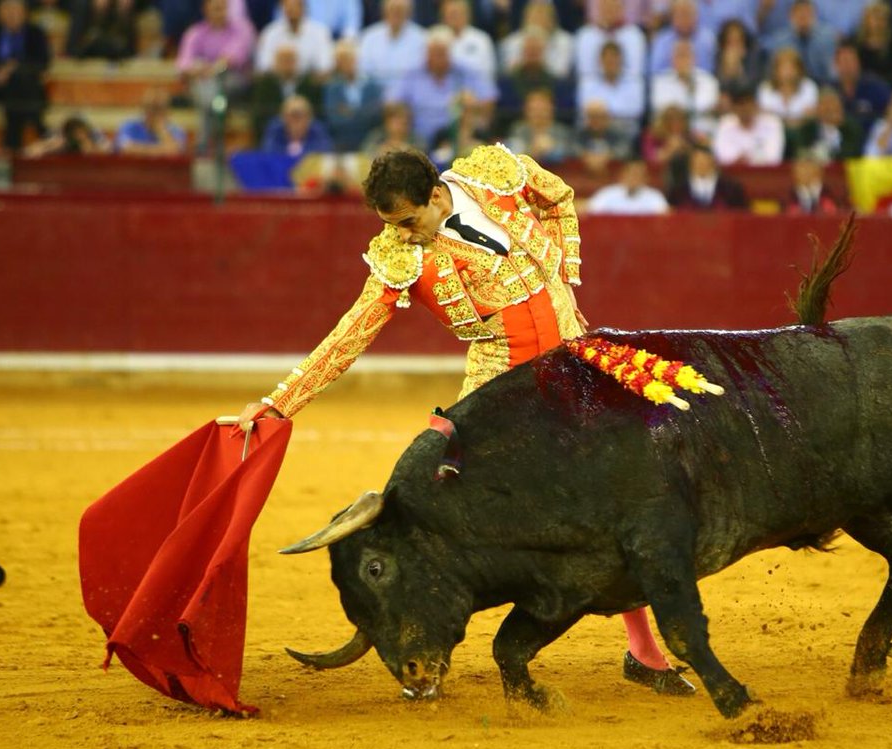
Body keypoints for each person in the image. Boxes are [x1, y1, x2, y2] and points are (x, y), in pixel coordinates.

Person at [238, 145, 697, 698]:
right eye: (392, 226)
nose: (404, 235)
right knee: (455, 516)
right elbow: (351, 333)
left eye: (409, 221)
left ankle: (643, 653)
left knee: (622, 498)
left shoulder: (493, 174)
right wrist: (279, 402)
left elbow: (559, 196)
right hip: (500, 391)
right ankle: (417, 645)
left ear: (435, 195)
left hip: (576, 364)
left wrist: (565, 270)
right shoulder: (399, 255)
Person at [387, 26, 497, 146]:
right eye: (433, 53)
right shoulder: (412, 73)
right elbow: (392, 103)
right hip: (418, 139)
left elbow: (488, 98)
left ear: (450, 52)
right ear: (426, 52)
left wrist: (473, 108)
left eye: (441, 53)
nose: (437, 59)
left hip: (457, 137)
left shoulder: (465, 71)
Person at [177, 0, 255, 151]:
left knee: (211, 84)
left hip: (233, 81)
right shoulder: (195, 32)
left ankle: (204, 144)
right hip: (204, 83)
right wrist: (200, 69)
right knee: (209, 91)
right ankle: (216, 144)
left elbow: (233, 58)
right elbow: (183, 64)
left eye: (222, 8)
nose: (220, 12)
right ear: (205, 10)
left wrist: (208, 69)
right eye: (215, 8)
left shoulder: (241, 29)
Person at [0, 0, 50, 153]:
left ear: (25, 14)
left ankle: (12, 140)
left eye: (16, 10)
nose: (12, 15)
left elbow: (42, 62)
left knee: (19, 80)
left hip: (24, 84)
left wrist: (12, 68)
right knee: (21, 85)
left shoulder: (35, 33)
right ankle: (38, 124)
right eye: (8, 10)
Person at [250, 43, 323, 142]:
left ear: (297, 62)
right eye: (283, 60)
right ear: (275, 62)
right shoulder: (266, 85)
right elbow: (260, 111)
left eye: (290, 60)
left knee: (317, 127)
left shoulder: (308, 83)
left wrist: (300, 120)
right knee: (273, 127)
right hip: (277, 126)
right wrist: (287, 119)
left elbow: (316, 109)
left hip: (306, 126)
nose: (287, 63)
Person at [649, 39, 719, 138]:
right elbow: (662, 108)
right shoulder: (660, 81)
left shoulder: (708, 81)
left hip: (702, 133)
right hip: (671, 134)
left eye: (686, 55)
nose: (683, 60)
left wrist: (688, 85)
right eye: (679, 55)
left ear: (695, 59)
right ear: (671, 59)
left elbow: (708, 105)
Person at [323, 40, 383, 150]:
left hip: (369, 141)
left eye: (347, 59)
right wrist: (361, 112)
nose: (344, 64)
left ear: (356, 59)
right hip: (341, 142)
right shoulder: (332, 88)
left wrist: (349, 112)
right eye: (340, 61)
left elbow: (375, 117)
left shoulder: (372, 85)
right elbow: (334, 120)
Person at [765, 0, 839, 85]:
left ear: (815, 15)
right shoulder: (780, 41)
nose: (803, 18)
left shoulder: (827, 38)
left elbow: (832, 72)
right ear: (790, 16)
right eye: (799, 14)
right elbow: (774, 73)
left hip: (823, 86)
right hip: (791, 87)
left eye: (807, 13)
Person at [357, 0, 426, 90]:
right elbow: (363, 71)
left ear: (409, 13)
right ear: (384, 11)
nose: (396, 14)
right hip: (375, 94)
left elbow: (422, 74)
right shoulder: (369, 37)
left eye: (400, 11)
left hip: (410, 95)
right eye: (392, 10)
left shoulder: (422, 38)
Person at [255, 0, 334, 78]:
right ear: (281, 8)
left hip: (309, 84)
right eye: (287, 6)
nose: (291, 10)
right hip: (277, 83)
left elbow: (325, 66)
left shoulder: (319, 32)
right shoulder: (270, 33)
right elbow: (263, 66)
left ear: (304, 8)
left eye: (295, 6)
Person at [497, 0, 574, 80]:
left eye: (543, 15)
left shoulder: (564, 40)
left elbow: (561, 73)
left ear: (552, 19)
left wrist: (537, 63)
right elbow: (510, 72)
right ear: (525, 18)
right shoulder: (513, 41)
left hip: (553, 86)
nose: (538, 20)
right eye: (534, 16)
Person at [830, 38, 891, 138]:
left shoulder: (876, 87)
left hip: (872, 139)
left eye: (851, 61)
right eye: (844, 61)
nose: (848, 66)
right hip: (842, 143)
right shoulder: (832, 91)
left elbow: (890, 111)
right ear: (836, 65)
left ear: (858, 62)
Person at [713, 83, 784, 167]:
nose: (745, 109)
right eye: (740, 104)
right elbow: (721, 157)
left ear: (756, 105)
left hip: (765, 174)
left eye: (748, 103)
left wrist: (747, 159)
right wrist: (750, 159)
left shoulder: (772, 123)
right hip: (733, 174)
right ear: (733, 107)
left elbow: (774, 158)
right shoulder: (725, 124)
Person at [573, 0, 646, 81]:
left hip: (626, 88)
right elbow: (585, 74)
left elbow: (634, 74)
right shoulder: (586, 36)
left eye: (613, 7)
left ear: (621, 9)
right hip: (593, 88)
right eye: (606, 7)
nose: (609, 11)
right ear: (599, 9)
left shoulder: (633, 35)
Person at [667, 144, 749, 210]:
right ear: (690, 164)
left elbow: (742, 215)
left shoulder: (732, 189)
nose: (701, 164)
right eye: (697, 161)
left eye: (705, 160)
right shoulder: (678, 191)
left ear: (713, 163)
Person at [505, 88, 575, 165]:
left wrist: (552, 150)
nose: (538, 114)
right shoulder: (518, 129)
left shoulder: (562, 131)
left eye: (543, 109)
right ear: (526, 110)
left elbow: (572, 153)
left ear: (551, 109)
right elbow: (513, 153)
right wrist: (532, 150)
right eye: (534, 109)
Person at [648, 0, 715, 75]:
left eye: (688, 14)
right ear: (672, 17)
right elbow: (655, 74)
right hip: (668, 84)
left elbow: (712, 72)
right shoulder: (661, 42)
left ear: (697, 16)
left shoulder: (708, 40)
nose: (685, 19)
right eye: (681, 14)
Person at [114, 87, 188, 155]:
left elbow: (174, 151)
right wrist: (161, 150)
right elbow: (125, 148)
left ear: (167, 112)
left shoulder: (176, 129)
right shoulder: (129, 125)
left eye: (158, 108)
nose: (153, 113)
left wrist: (162, 131)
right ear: (143, 108)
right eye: (149, 107)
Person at [757, 46, 818, 126]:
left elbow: (810, 115)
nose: (788, 72)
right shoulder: (765, 88)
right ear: (775, 70)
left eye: (791, 68)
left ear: (799, 69)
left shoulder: (808, 86)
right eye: (784, 68)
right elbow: (765, 116)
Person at [586, 158, 670, 214]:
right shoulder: (607, 194)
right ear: (622, 175)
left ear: (645, 178)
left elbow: (664, 219)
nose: (633, 178)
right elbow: (590, 214)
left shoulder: (654, 196)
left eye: (638, 175)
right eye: (631, 174)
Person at [440, 0, 495, 84]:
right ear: (443, 17)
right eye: (450, 14)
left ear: (466, 15)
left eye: (456, 13)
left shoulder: (481, 39)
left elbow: (489, 72)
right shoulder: (436, 39)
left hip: (477, 91)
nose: (453, 17)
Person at [261, 92, 332, 155]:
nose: (296, 120)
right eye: (292, 115)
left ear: (309, 117)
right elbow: (268, 150)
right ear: (283, 116)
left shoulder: (317, 128)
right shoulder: (275, 128)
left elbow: (325, 149)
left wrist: (298, 150)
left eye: (300, 115)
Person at [65, 0, 136, 60]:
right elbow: (71, 50)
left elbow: (130, 52)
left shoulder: (119, 10)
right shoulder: (82, 9)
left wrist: (123, 15)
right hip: (86, 65)